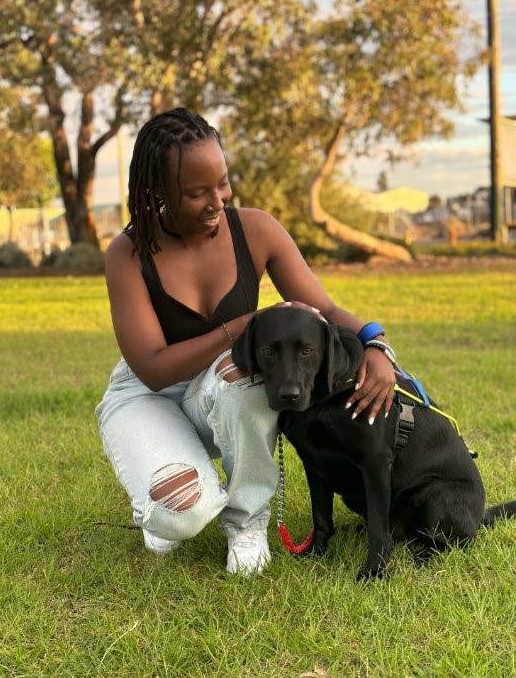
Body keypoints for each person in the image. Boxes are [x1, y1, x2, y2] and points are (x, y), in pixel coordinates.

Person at [95, 107, 395, 576]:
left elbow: (327, 311)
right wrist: (244, 325)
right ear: (157, 192)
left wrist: (376, 345)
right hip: (148, 396)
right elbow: (152, 367)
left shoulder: (254, 230)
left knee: (249, 375)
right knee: (182, 515)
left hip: (220, 387)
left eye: (222, 184)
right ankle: (164, 499)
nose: (216, 201)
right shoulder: (128, 253)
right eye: (195, 193)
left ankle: (246, 523)